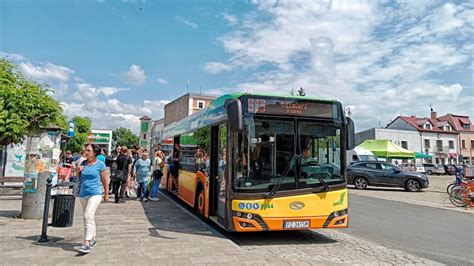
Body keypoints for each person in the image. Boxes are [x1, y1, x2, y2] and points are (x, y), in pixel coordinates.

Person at [77, 143, 108, 254]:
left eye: (89, 150)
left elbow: (104, 180)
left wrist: (106, 194)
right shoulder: (83, 163)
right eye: (86, 150)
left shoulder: (100, 164)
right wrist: (78, 171)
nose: (86, 152)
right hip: (83, 193)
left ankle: (86, 242)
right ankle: (93, 238)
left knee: (88, 215)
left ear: (95, 153)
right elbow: (78, 178)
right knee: (89, 217)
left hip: (95, 193)